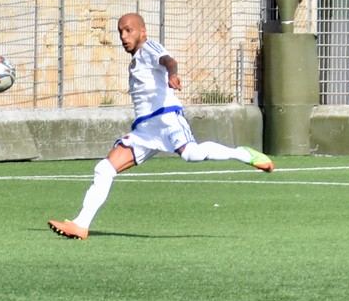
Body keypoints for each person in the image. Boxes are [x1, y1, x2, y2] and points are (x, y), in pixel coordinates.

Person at [48, 12, 274, 240]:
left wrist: (172, 75)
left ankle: (242, 154)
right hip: (145, 129)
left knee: (191, 154)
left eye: (129, 30)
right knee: (104, 169)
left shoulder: (149, 48)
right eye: (120, 32)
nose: (123, 36)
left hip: (166, 119)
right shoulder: (136, 59)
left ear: (142, 32)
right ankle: (80, 224)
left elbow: (169, 61)